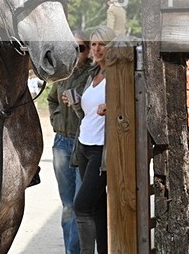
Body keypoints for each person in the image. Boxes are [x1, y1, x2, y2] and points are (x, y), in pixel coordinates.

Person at [47, 30, 98, 254]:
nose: (77, 53)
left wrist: (77, 100)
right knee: (68, 205)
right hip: (61, 143)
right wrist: (56, 119)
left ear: (88, 51)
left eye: (81, 48)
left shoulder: (93, 74)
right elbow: (51, 99)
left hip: (83, 142)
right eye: (73, 48)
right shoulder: (62, 74)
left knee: (80, 205)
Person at [71, 25, 115, 254]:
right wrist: (76, 103)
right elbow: (87, 114)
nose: (97, 49)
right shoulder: (93, 75)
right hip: (84, 146)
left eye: (102, 44)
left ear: (111, 47)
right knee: (97, 208)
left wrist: (112, 106)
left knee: (81, 206)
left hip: (100, 150)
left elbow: (128, 106)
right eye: (94, 44)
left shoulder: (116, 76)